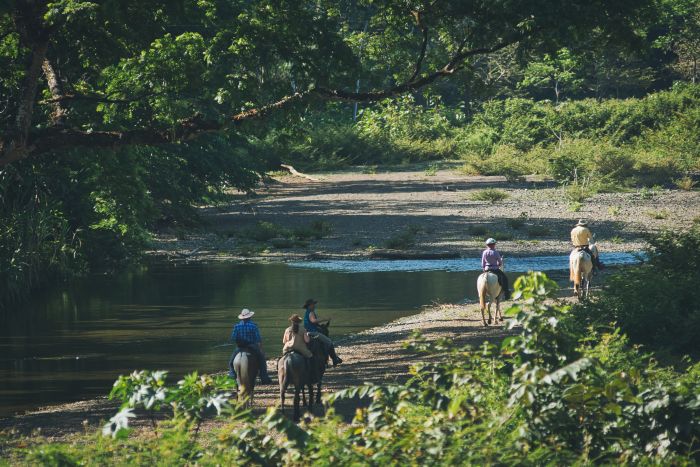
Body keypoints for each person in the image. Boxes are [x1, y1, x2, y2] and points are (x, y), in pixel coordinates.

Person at [228, 308, 272, 384]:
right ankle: (264, 378)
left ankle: (232, 375)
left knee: (231, 362)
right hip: (252, 346)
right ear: (249, 317)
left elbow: (233, 338)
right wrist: (261, 350)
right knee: (262, 360)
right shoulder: (254, 326)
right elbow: (258, 339)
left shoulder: (237, 326)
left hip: (240, 347)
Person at [303, 299, 343, 366]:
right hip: (313, 332)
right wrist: (325, 319)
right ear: (309, 305)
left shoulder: (307, 312)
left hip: (307, 332)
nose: (314, 306)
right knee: (329, 342)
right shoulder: (311, 312)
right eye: (313, 304)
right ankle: (334, 359)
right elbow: (313, 321)